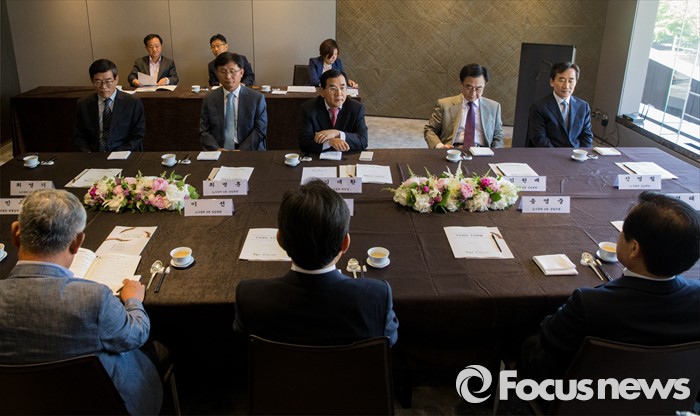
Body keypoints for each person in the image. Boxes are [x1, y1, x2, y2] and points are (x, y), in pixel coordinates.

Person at [0, 190, 163, 415]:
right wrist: (133, 300)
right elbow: (135, 336)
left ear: (15, 233)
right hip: (105, 404)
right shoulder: (94, 298)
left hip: (18, 404)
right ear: (77, 242)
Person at [521, 191, 700, 381]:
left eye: (623, 230)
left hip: (581, 393)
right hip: (670, 390)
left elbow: (549, 340)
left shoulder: (589, 304)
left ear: (634, 248)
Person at [233, 180, 399, 347]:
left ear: (280, 240)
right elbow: (388, 342)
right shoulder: (377, 297)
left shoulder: (249, 297)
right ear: (345, 243)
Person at [424, 63, 504, 149]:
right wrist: (440, 146)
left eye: (478, 88)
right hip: (453, 150)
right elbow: (430, 130)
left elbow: (498, 135)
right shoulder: (444, 105)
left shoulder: (494, 107)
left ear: (485, 85)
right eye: (469, 87)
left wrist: (495, 151)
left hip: (482, 151)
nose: (473, 93)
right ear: (460, 83)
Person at [200, 52, 267, 151]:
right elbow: (204, 131)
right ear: (217, 73)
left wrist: (242, 150)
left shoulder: (257, 98)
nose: (228, 76)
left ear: (241, 72)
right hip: (219, 150)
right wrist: (216, 149)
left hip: (248, 150)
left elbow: (260, 130)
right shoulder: (209, 98)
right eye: (223, 71)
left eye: (232, 71)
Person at [74, 59, 145, 152]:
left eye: (108, 81)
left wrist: (117, 154)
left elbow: (138, 135)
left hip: (122, 153)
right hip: (93, 154)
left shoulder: (132, 102)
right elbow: (79, 136)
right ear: (92, 81)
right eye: (98, 82)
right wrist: (88, 153)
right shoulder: (83, 104)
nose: (103, 87)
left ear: (116, 80)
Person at [299, 69, 367, 153]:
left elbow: (363, 141)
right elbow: (304, 143)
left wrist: (337, 134)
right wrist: (329, 142)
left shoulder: (356, 108)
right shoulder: (309, 108)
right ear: (322, 91)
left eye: (342, 88)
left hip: (346, 156)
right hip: (319, 158)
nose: (339, 93)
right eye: (333, 89)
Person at [526, 62, 592, 148]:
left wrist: (582, 153)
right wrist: (558, 154)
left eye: (571, 81)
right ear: (552, 82)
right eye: (562, 80)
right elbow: (539, 138)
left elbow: (587, 136)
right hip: (549, 153)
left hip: (575, 154)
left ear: (576, 82)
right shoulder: (539, 107)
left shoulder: (583, 106)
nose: (566, 86)